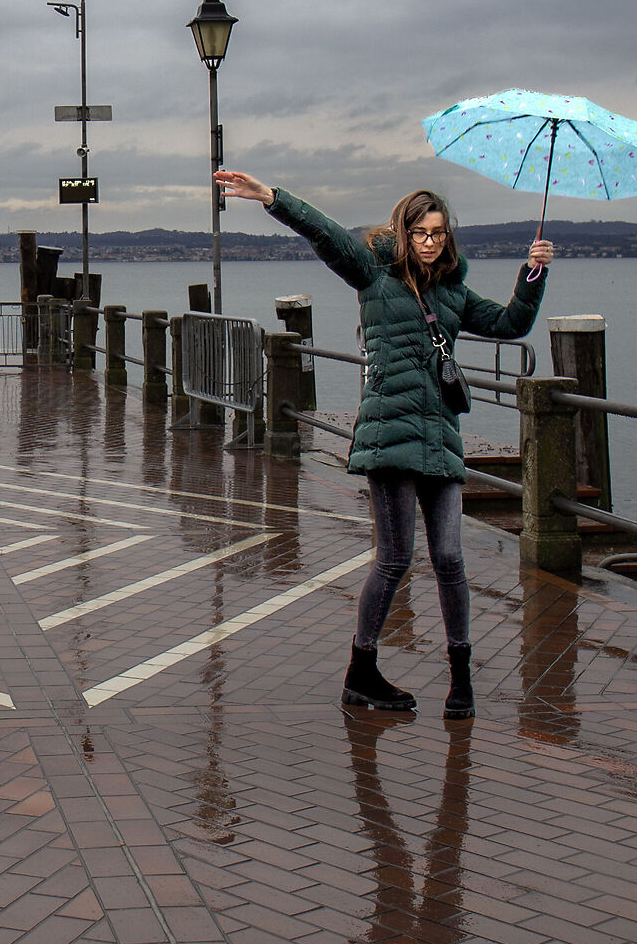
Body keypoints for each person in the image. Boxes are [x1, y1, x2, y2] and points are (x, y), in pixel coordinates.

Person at [214, 171, 552, 717]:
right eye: (420, 232)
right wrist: (272, 198)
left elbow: (511, 322)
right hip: (388, 435)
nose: (429, 241)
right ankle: (361, 671)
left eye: (438, 232)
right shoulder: (374, 273)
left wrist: (533, 273)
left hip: (439, 438)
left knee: (449, 558)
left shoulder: (453, 293)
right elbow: (326, 233)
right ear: (403, 232)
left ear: (448, 237)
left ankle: (460, 678)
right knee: (395, 558)